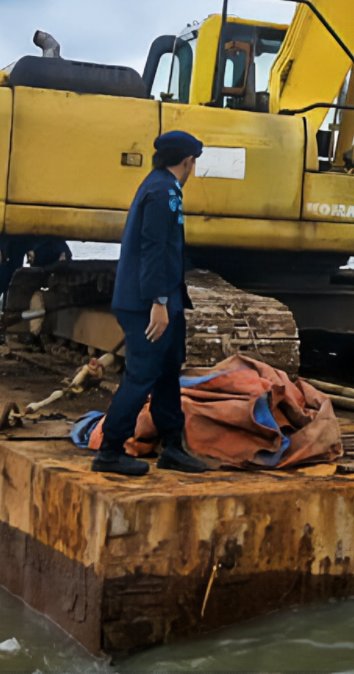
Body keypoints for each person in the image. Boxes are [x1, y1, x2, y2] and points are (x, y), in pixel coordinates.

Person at [92, 130, 211, 477]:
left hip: (164, 300)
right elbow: (154, 248)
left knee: (167, 372)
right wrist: (158, 302)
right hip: (148, 302)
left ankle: (172, 446)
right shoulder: (163, 192)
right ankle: (111, 451)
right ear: (188, 161)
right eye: (193, 164)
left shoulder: (160, 185)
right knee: (142, 375)